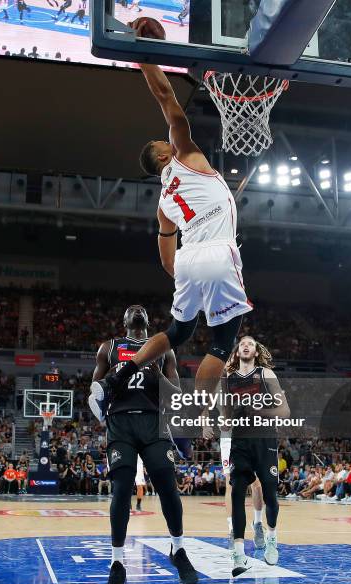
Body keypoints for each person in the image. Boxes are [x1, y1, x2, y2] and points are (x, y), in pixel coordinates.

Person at [90, 57, 253, 429]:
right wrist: (145, 54)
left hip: (186, 261)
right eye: (162, 141)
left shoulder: (163, 205)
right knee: (223, 341)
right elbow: (166, 96)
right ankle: (202, 409)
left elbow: (168, 263)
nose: (167, 137)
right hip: (217, 250)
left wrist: (186, 274)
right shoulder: (186, 155)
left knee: (179, 332)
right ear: (164, 155)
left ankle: (116, 378)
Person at [89, 305, 198, 584]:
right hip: (121, 424)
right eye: (130, 310)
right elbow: (94, 391)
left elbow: (176, 395)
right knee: (121, 490)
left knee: (167, 487)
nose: (136, 311)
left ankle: (178, 549)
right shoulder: (108, 348)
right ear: (124, 320)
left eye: (141, 310)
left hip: (153, 423)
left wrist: (155, 373)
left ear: (148, 320)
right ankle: (117, 562)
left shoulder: (164, 349)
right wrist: (114, 377)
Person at [223, 336, 289, 576]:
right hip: (240, 442)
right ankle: (239, 554)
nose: (246, 345)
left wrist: (257, 409)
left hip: (265, 441)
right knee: (238, 491)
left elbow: (284, 411)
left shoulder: (266, 375)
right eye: (242, 344)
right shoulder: (229, 380)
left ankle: (271, 537)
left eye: (250, 343)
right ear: (238, 351)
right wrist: (213, 422)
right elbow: (226, 415)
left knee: (270, 494)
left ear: (256, 351)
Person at [220, 432, 268, 551]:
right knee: (230, 484)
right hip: (229, 438)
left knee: (257, 484)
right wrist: (205, 425)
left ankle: (257, 523)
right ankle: (232, 529)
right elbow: (204, 412)